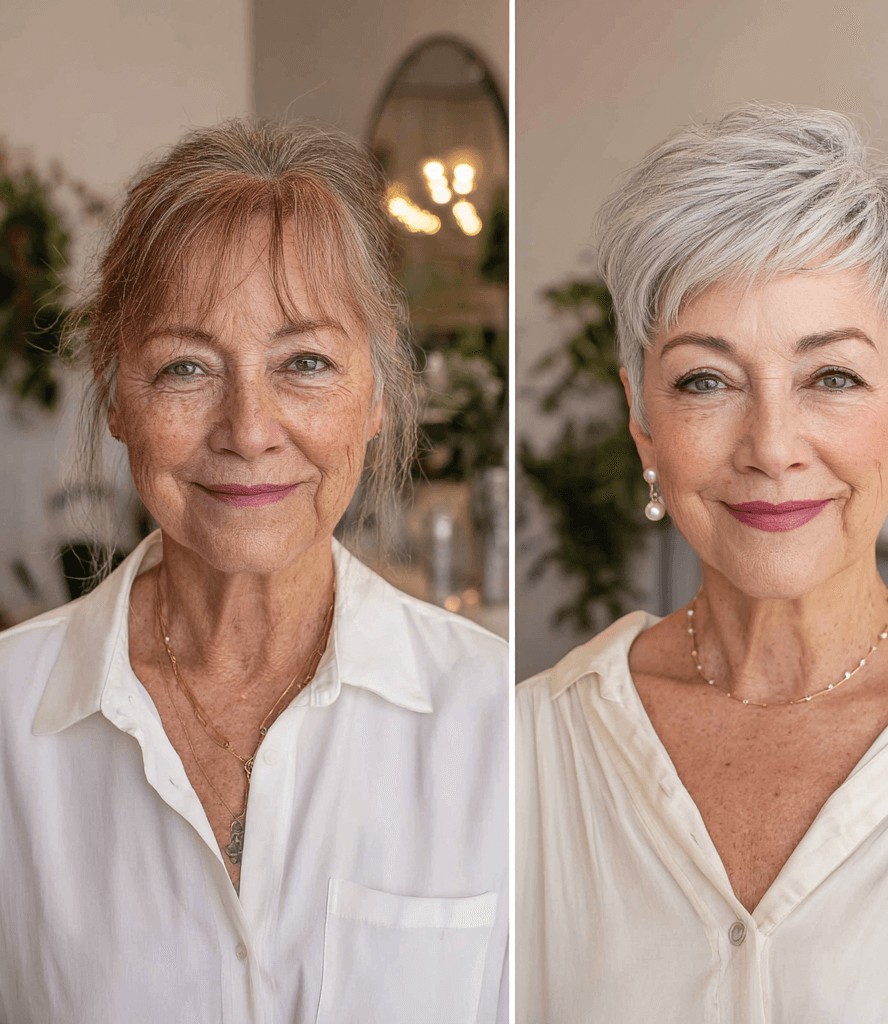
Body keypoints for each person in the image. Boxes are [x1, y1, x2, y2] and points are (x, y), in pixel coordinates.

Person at [517, 104, 888, 1023]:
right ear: (642, 418)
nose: (772, 446)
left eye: (832, 377)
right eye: (706, 381)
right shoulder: (528, 753)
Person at [0, 120, 507, 1024]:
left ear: (379, 392)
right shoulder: (10, 720)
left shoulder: (497, 721)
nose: (249, 429)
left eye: (304, 363)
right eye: (186, 367)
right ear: (117, 394)